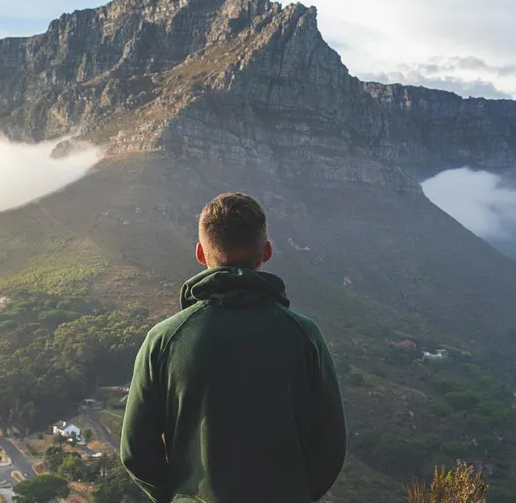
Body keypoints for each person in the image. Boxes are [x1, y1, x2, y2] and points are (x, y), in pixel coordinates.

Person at [120, 193, 347, 503]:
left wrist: (180, 498)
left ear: (201, 253)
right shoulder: (304, 335)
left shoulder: (164, 340)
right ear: (267, 250)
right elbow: (331, 446)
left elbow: (135, 450)